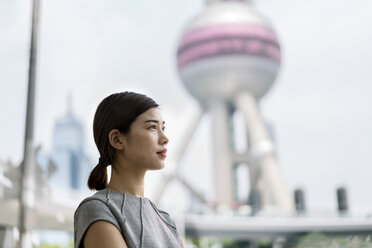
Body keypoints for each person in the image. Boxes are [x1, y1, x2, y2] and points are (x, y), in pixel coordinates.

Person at [74, 92, 183, 248]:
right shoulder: (98, 209)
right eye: (152, 127)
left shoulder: (166, 220)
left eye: (163, 128)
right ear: (117, 139)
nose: (165, 138)